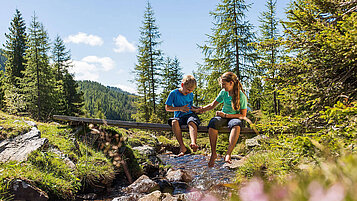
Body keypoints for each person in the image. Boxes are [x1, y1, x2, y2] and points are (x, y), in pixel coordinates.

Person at [198, 72, 248, 167]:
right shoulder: (223, 92)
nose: (223, 87)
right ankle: (213, 153)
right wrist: (201, 110)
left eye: (224, 84)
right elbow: (213, 105)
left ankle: (228, 153)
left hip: (234, 117)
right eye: (222, 85)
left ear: (231, 83)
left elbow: (243, 115)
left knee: (236, 125)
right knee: (213, 122)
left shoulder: (241, 96)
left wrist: (225, 115)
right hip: (223, 117)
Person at [165, 75, 201, 157]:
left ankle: (193, 143)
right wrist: (180, 108)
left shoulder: (191, 94)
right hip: (179, 116)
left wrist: (196, 109)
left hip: (189, 115)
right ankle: (182, 146)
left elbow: (191, 106)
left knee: (192, 121)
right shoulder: (173, 93)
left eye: (191, 91)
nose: (189, 92)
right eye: (188, 90)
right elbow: (167, 108)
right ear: (182, 85)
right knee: (174, 122)